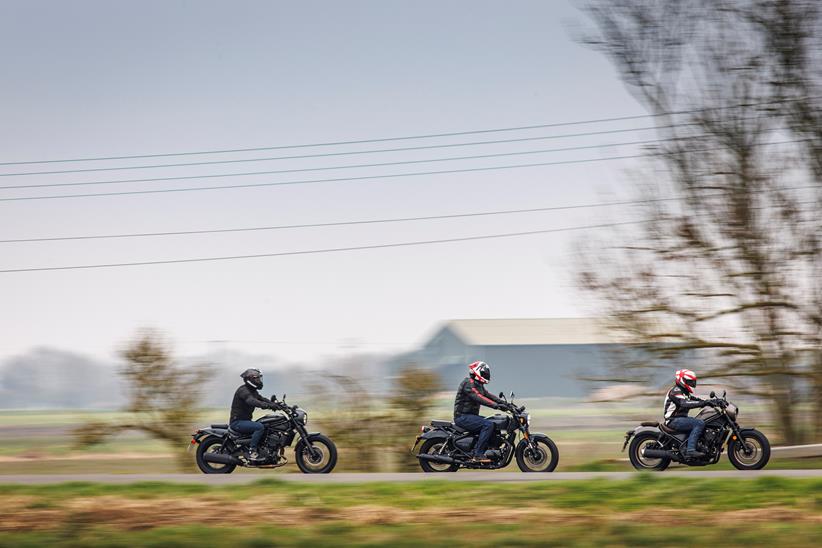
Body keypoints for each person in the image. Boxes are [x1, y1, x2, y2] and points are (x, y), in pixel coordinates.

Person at [453, 361, 506, 462]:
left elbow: (489, 395)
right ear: (478, 372)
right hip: (462, 417)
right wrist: (496, 406)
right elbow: (479, 397)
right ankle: (478, 454)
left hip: (470, 416)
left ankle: (490, 448)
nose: (487, 375)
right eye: (485, 373)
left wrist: (506, 404)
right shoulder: (468, 383)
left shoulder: (478, 385)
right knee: (488, 425)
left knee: (493, 424)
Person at [230, 368, 277, 462]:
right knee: (259, 427)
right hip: (237, 422)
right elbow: (251, 401)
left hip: (245, 421)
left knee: (267, 426)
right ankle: (252, 451)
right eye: (257, 379)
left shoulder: (253, 391)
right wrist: (265, 406)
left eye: (259, 378)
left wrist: (275, 405)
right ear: (250, 379)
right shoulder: (243, 390)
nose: (259, 381)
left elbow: (262, 399)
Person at [664, 369, 712, 459]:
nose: (692, 384)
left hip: (680, 419)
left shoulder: (685, 392)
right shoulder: (676, 391)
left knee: (703, 421)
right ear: (682, 380)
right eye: (690, 382)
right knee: (699, 423)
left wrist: (711, 402)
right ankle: (690, 450)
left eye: (693, 382)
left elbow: (696, 400)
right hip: (673, 420)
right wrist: (704, 403)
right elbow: (684, 403)